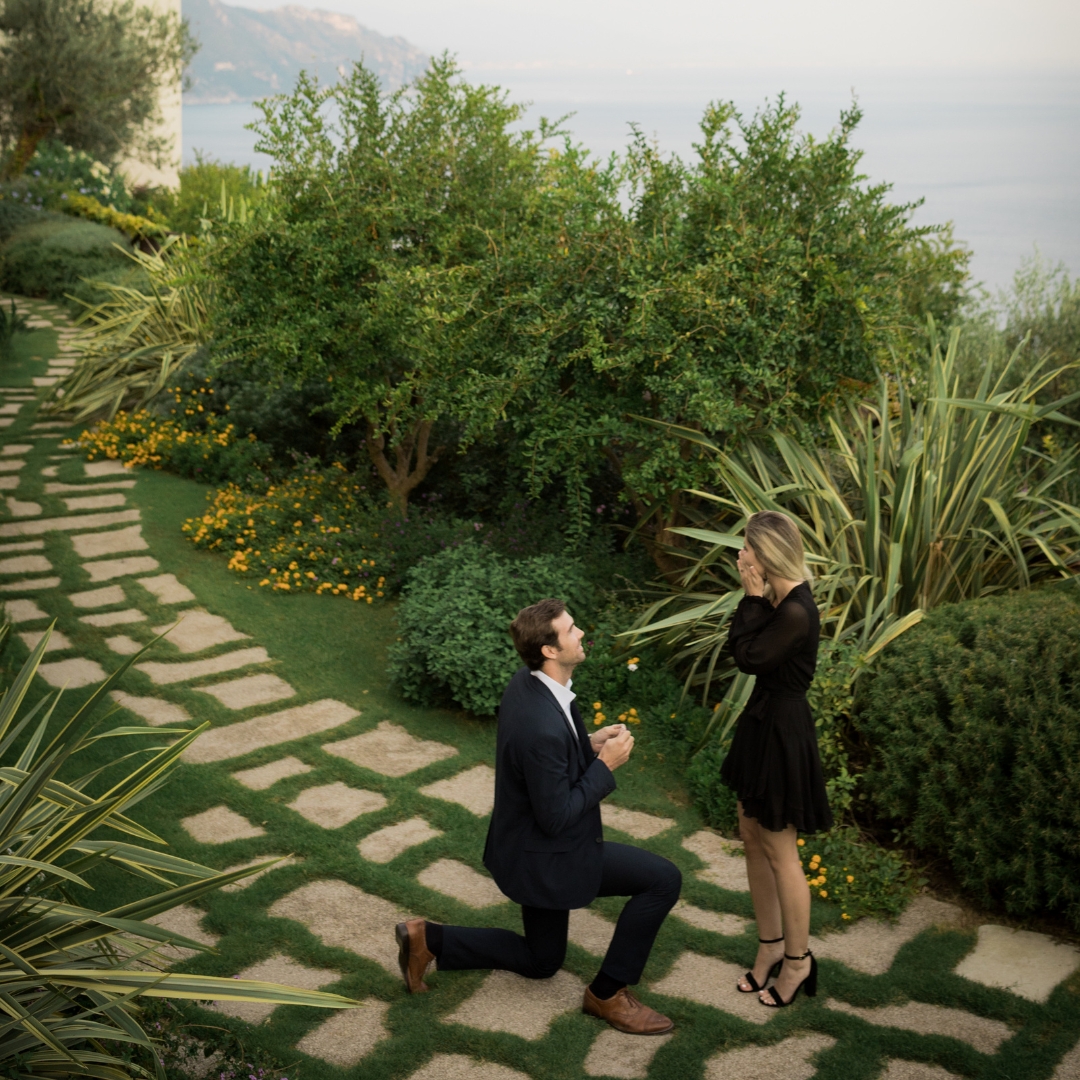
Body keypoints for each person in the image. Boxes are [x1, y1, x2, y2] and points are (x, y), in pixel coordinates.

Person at [395, 598, 681, 1034]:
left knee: (541, 961)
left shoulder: (529, 685)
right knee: (663, 879)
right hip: (548, 854)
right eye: (570, 630)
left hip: (526, 847)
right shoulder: (541, 725)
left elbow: (545, 762)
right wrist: (605, 767)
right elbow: (557, 815)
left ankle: (428, 939)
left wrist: (588, 743)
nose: (580, 633)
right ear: (549, 649)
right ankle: (608, 994)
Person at [721, 510, 832, 1007]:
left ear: (765, 553)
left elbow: (748, 658)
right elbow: (745, 647)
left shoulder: (795, 612)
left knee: (781, 851)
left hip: (783, 736)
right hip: (762, 726)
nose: (740, 555)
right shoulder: (780, 600)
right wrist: (753, 598)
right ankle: (769, 946)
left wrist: (748, 596)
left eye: (745, 548)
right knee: (751, 836)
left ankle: (797, 961)